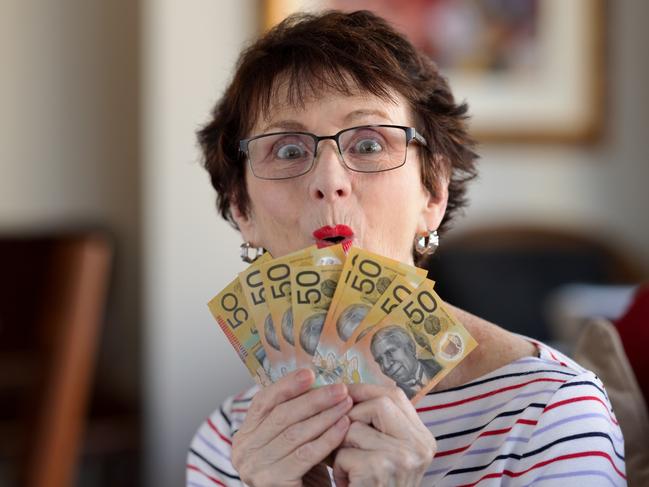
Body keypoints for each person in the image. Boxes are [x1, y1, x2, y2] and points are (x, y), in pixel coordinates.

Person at [187, 10, 626, 486]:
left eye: (369, 144)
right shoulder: (228, 442)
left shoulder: (551, 412)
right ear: (242, 208)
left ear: (433, 190)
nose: (329, 180)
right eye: (289, 150)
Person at [370, 326, 442, 399]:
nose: (386, 365)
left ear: (411, 347)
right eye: (380, 361)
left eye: (389, 353)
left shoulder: (439, 366)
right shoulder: (395, 399)